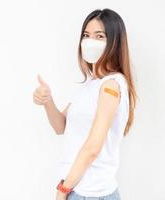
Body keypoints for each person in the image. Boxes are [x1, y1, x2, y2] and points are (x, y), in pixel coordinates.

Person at [33, 8, 138, 200]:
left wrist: (63, 189)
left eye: (100, 36)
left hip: (91, 194)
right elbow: (61, 126)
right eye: (86, 35)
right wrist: (47, 101)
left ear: (115, 42)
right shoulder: (91, 85)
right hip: (77, 189)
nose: (90, 41)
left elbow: (93, 147)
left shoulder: (111, 86)